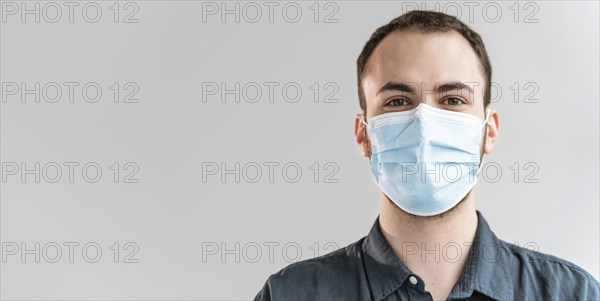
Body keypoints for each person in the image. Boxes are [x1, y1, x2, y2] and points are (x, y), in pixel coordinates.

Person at [254, 10, 600, 301]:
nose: (424, 124)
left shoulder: (570, 293)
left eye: (452, 100)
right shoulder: (292, 293)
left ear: (488, 130)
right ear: (363, 134)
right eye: (397, 101)